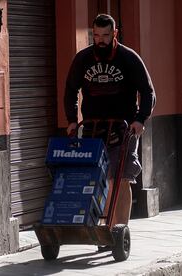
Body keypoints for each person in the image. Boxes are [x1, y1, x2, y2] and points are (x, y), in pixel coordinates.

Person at [64, 14, 156, 231]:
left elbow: (148, 91)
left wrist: (140, 120)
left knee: (121, 178)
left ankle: (117, 231)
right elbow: (70, 90)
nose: (101, 40)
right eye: (96, 35)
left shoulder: (128, 58)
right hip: (92, 128)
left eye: (105, 35)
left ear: (115, 34)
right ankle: (99, 227)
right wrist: (71, 119)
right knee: (97, 179)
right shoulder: (83, 58)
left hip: (123, 128)